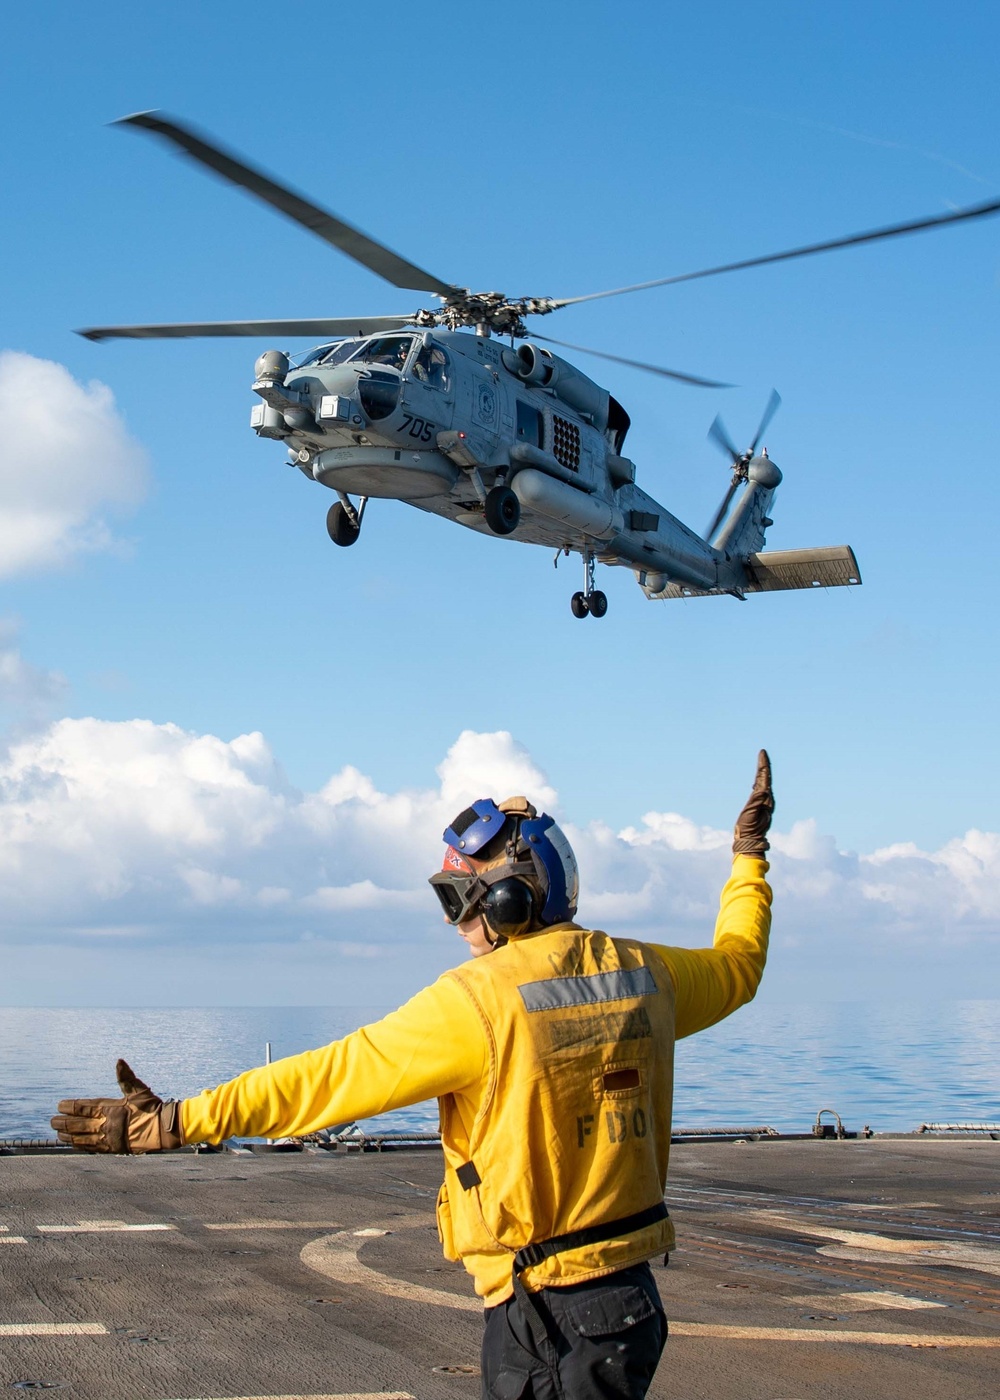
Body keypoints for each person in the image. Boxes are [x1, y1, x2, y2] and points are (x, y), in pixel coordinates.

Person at [52, 752, 774, 1400]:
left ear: (506, 901)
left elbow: (324, 1078)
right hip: (630, 1303)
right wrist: (748, 859)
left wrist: (179, 1120)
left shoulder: (477, 1003)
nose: (456, 922)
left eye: (460, 899)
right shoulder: (649, 974)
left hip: (549, 1315)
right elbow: (740, 966)